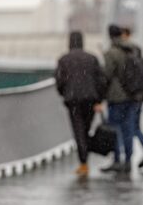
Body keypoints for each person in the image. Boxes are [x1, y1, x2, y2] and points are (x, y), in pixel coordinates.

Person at [54, 31, 106, 177]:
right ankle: (85, 156)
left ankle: (83, 163)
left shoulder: (64, 60)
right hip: (90, 99)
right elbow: (101, 80)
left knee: (78, 130)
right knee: (86, 128)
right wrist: (99, 100)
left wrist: (64, 93)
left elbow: (59, 81)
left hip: (73, 100)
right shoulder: (92, 58)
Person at [99, 25, 137, 173]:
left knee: (115, 129)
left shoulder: (111, 53)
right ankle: (128, 160)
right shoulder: (133, 49)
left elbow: (106, 76)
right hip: (132, 95)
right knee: (129, 129)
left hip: (116, 97)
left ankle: (117, 160)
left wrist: (100, 95)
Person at [121, 27, 143, 168]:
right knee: (136, 126)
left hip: (131, 97)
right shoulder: (142, 59)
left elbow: (126, 77)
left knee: (129, 127)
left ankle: (128, 158)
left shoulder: (127, 55)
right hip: (140, 96)